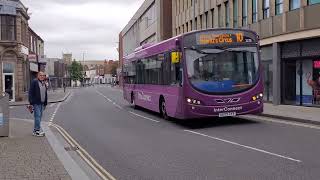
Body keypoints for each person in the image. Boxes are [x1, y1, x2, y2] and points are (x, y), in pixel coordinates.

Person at [28, 71, 48, 137]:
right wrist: (31, 103)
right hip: (36, 103)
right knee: (37, 116)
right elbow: (30, 92)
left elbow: (45, 93)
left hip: (42, 103)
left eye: (43, 75)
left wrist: (45, 103)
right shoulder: (34, 82)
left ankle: (35, 131)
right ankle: (37, 131)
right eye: (41, 75)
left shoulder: (44, 83)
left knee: (39, 117)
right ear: (38, 76)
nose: (42, 76)